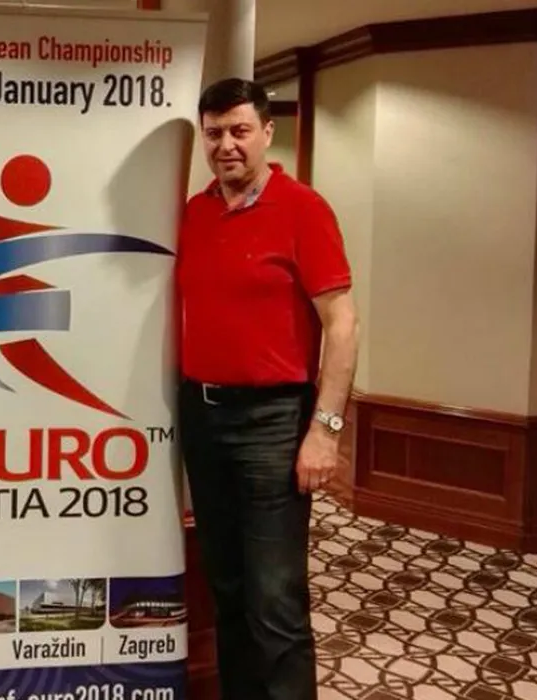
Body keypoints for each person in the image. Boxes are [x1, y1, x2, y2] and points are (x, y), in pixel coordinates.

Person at [176, 78, 359, 700]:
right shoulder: (194, 213)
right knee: (226, 590)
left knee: (275, 599)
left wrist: (325, 432)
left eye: (239, 130)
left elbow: (343, 324)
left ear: (267, 132)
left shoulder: (303, 208)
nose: (226, 145)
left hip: (273, 424)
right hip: (202, 418)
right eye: (214, 133)